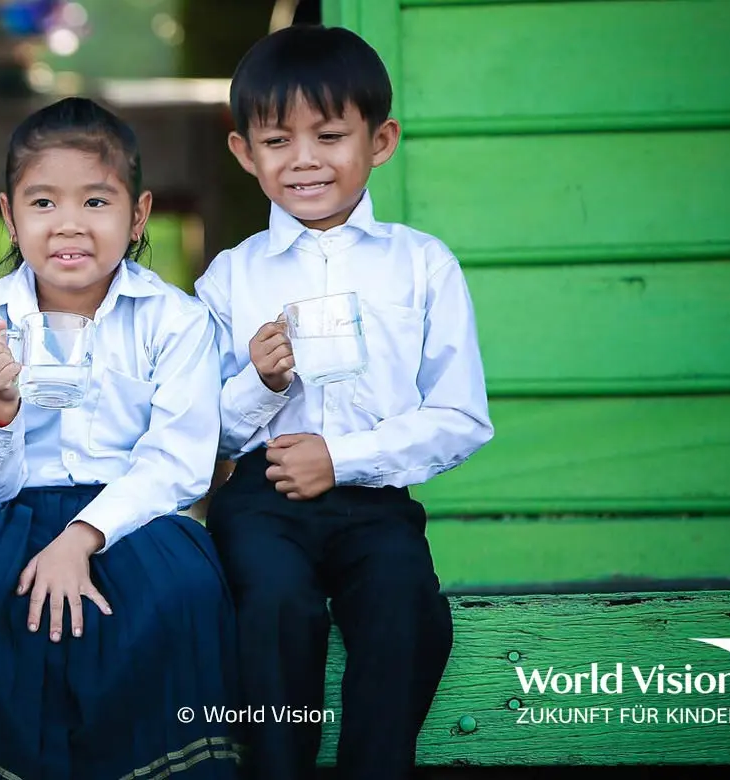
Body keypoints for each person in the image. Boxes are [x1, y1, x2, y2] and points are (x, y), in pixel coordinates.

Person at [0, 97, 241, 780]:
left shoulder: (175, 321)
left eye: (96, 202)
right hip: (4, 513)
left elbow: (179, 464)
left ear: (139, 215)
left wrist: (81, 537)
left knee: (180, 593)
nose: (69, 225)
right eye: (43, 204)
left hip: (133, 515)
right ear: (9, 215)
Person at [195, 25, 495, 780]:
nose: (304, 160)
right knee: (272, 608)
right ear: (244, 153)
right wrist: (258, 385)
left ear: (381, 140)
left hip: (374, 498)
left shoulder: (421, 265)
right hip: (263, 502)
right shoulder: (231, 279)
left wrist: (345, 457)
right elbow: (204, 434)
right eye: (277, 140)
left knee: (406, 607)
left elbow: (460, 416)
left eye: (330, 135)